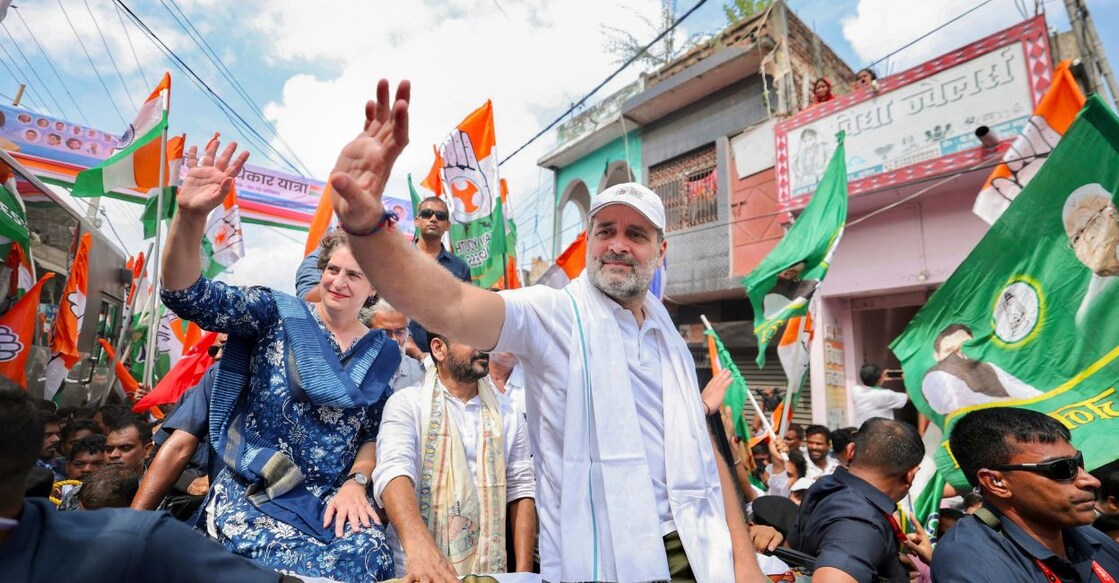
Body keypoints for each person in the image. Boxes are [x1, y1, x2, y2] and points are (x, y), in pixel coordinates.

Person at [325, 79, 760, 582]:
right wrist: (366, 224)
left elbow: (708, 462)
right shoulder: (555, 315)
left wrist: (745, 564)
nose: (618, 244)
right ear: (590, 239)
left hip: (704, 552)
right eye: (606, 230)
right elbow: (451, 303)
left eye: (635, 234)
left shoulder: (668, 338)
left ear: (661, 252)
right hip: (610, 563)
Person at [160, 137, 400, 581]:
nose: (338, 282)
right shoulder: (276, 313)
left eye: (354, 275)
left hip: (331, 498)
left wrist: (356, 483)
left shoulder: (383, 351)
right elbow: (188, 296)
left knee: (369, 557)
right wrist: (190, 218)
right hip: (255, 486)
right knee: (267, 568)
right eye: (332, 270)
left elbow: (371, 433)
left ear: (375, 288)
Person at [0, 388, 297, 582]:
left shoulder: (138, 540)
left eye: (125, 448)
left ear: (148, 449)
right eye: (110, 448)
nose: (114, 456)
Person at [373, 333, 536, 576]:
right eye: (470, 336)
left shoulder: (506, 411)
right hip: (416, 567)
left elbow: (521, 488)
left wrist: (523, 574)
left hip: (490, 572)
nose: (483, 346)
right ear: (438, 349)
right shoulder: (407, 404)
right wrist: (421, 548)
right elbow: (394, 473)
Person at [932, 407, 1119, 581]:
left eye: (1078, 463)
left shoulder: (1089, 538)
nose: (1091, 481)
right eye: (1061, 468)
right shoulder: (971, 559)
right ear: (996, 483)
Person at [790, 417, 926, 582]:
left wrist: (889, 564)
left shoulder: (826, 486)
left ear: (851, 451)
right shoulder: (861, 523)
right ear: (911, 475)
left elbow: (791, 552)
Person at [132, 366, 218, 511]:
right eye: (213, 350)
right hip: (182, 508)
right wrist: (190, 482)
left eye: (224, 348)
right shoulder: (191, 395)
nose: (220, 354)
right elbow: (158, 456)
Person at [920, 324, 1042, 415]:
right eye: (950, 351)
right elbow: (961, 404)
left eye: (962, 349)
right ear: (936, 356)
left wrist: (1044, 401)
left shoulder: (987, 367)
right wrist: (1014, 403)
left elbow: (1022, 390)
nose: (956, 357)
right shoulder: (935, 376)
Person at [1064, 184, 1119, 330]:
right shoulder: (1087, 316)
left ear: (1113, 213)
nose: (1087, 239)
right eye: (1076, 238)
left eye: (1091, 222)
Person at [368, 299, 426, 391]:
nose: (394, 340)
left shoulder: (421, 374)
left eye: (400, 332)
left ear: (407, 332)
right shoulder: (350, 371)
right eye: (385, 333)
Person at [36, 412, 65, 481]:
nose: (57, 439)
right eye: (48, 435)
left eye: (58, 434)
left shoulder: (65, 468)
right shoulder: (16, 471)